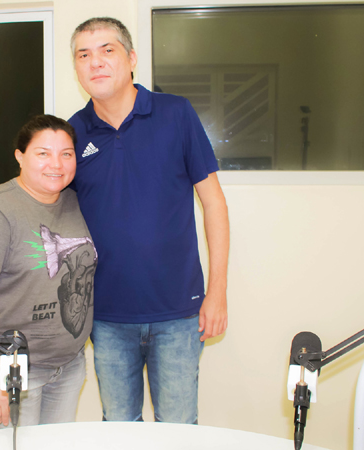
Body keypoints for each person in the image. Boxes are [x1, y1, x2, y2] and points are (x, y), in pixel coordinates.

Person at [68, 17, 230, 424]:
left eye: (107, 50)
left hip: (178, 313)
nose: (95, 62)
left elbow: (214, 204)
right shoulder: (72, 133)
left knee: (178, 431)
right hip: (106, 316)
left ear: (131, 58)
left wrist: (217, 292)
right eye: (84, 55)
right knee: (120, 430)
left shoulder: (175, 113)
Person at [0, 114, 97, 430]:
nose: (56, 164)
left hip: (69, 364)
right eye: (43, 153)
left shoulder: (76, 202)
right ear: (20, 156)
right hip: (13, 365)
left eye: (66, 154)